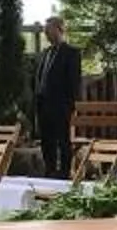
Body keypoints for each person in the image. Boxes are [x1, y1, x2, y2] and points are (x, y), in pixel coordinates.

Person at [31, 15, 81, 177]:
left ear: (59, 30)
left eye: (49, 30)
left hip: (61, 105)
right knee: (47, 140)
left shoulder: (71, 53)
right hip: (43, 104)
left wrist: (71, 105)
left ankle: (65, 172)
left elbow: (74, 81)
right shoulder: (45, 53)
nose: (46, 33)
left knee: (62, 140)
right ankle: (50, 169)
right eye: (45, 31)